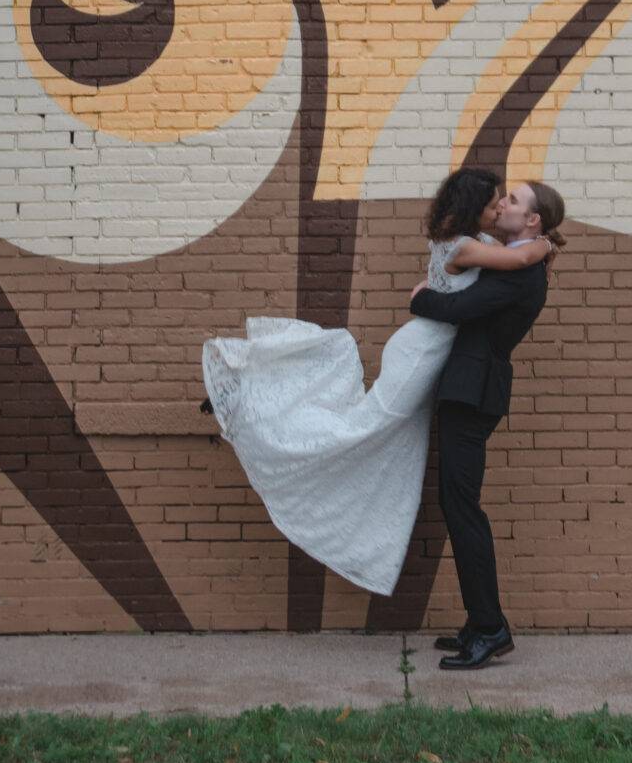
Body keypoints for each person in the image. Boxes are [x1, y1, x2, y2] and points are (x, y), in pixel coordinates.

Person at [200, 168, 552, 596]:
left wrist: (428, 293)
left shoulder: (475, 243)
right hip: (420, 355)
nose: (500, 208)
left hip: (426, 351)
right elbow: (516, 261)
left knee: (373, 436)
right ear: (473, 209)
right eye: (495, 202)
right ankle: (253, 400)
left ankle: (261, 400)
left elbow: (493, 270)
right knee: (360, 430)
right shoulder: (469, 246)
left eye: (508, 202)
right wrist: (545, 243)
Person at [408, 180, 567, 670]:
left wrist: (418, 297)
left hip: (473, 392)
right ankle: (480, 623)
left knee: (463, 509)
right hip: (469, 388)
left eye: (514, 201)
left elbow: (456, 309)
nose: (503, 205)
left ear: (534, 220)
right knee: (458, 506)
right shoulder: (514, 255)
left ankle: (491, 626)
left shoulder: (523, 270)